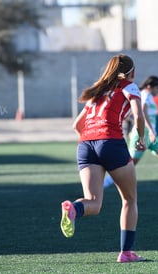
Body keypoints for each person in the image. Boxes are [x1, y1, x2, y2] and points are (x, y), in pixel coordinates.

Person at [60, 54, 147, 263]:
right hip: (111, 143)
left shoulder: (96, 91)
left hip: (86, 145)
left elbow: (77, 126)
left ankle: (74, 208)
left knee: (93, 203)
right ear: (131, 72)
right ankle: (126, 253)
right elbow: (139, 116)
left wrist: (92, 143)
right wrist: (140, 138)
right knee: (129, 199)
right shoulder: (129, 86)